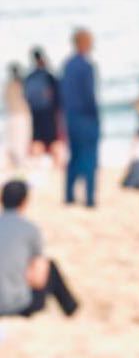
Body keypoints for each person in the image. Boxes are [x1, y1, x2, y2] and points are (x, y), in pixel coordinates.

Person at [0, 179, 78, 318]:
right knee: (50, 266)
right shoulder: (30, 229)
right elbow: (39, 279)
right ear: (24, 202)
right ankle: (71, 309)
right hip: (18, 305)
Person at [59, 28, 100, 208]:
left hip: (71, 117)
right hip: (86, 117)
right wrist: (95, 117)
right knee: (89, 157)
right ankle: (89, 198)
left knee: (74, 156)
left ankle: (69, 195)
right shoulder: (87, 66)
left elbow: (61, 93)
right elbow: (89, 95)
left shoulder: (67, 65)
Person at [24, 48, 62, 167]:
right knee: (54, 140)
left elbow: (26, 97)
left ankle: (37, 165)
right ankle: (56, 165)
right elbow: (58, 95)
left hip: (35, 113)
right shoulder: (48, 76)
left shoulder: (29, 77)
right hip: (48, 113)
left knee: (37, 140)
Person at [3, 65, 32, 170]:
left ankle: (17, 163)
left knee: (16, 141)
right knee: (19, 141)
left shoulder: (10, 85)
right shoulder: (20, 84)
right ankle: (18, 163)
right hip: (19, 116)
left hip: (14, 115)